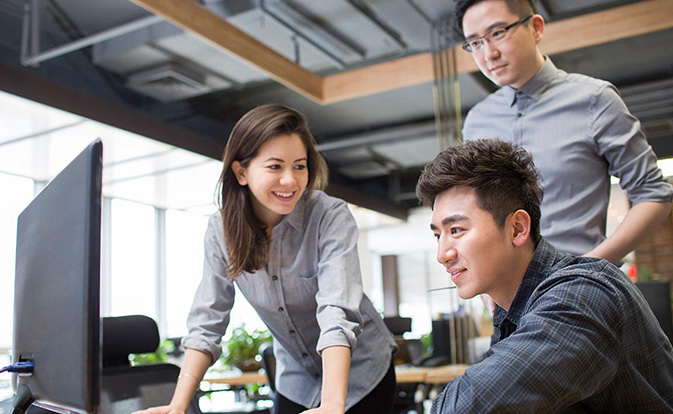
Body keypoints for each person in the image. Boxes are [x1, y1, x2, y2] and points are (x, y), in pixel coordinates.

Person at [133, 105, 396, 414]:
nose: (291, 180)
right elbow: (208, 321)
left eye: (300, 166)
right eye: (275, 167)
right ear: (241, 172)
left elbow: (336, 311)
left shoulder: (329, 216)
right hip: (296, 379)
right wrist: (178, 406)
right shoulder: (221, 231)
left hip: (361, 373)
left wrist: (332, 405)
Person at [416, 138, 673, 413]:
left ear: (517, 228)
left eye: (456, 230)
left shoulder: (583, 294)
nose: (442, 254)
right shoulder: (509, 310)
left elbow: (466, 406)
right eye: (437, 235)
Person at [455, 0, 672, 264]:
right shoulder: (477, 121)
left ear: (535, 28)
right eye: (475, 43)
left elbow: (653, 194)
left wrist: (589, 267)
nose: (488, 54)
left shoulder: (594, 100)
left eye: (498, 33)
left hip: (579, 289)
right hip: (506, 300)